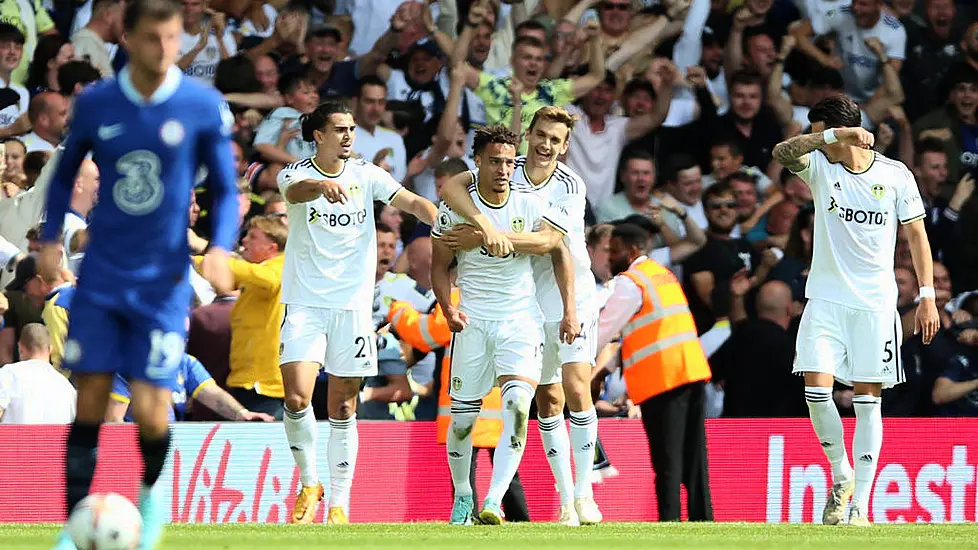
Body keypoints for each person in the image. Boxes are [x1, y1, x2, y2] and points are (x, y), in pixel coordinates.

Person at [39, 1, 241, 548]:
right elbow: (62, 178)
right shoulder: (99, 102)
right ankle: (71, 526)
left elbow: (225, 189)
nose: (164, 49)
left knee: (152, 411)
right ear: (128, 39)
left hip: (162, 281)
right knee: (90, 401)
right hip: (102, 275)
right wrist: (51, 235)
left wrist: (220, 249)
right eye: (153, 38)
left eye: (173, 38)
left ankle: (151, 503)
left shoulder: (200, 104)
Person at [771, 94, 940, 527]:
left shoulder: (896, 174)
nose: (813, 138)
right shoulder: (820, 166)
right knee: (816, 391)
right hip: (825, 300)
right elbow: (780, 153)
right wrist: (833, 136)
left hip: (875, 305)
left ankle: (861, 506)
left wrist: (927, 296)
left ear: (836, 125)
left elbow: (918, 237)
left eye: (818, 128)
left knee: (868, 402)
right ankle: (841, 473)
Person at [437, 106, 602, 525]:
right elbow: (453, 185)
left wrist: (482, 236)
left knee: (576, 385)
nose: (546, 145)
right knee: (546, 400)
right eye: (541, 135)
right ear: (529, 134)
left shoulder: (569, 184)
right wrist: (482, 225)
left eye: (556, 139)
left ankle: (583, 494)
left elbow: (549, 240)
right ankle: (564, 499)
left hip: (572, 291)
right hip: (526, 294)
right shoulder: (508, 165)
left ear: (565, 147)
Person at [276, 100, 436, 525]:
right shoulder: (294, 173)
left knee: (343, 409)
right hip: (306, 305)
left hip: (353, 309)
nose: (349, 135)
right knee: (295, 396)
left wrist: (438, 216)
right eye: (341, 129)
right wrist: (320, 187)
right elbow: (296, 192)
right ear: (319, 136)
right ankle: (310, 481)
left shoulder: (366, 174)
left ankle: (339, 504)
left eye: (351, 129)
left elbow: (410, 201)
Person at [595, 223, 714, 522]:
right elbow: (644, 333)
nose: (610, 257)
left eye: (615, 250)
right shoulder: (661, 275)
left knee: (667, 460)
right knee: (693, 458)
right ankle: (704, 520)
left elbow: (602, 331)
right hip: (690, 370)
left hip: (662, 378)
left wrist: (580, 364)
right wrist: (604, 371)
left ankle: (669, 521)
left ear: (632, 251)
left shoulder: (629, 282)